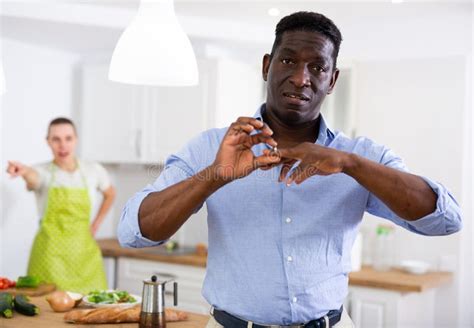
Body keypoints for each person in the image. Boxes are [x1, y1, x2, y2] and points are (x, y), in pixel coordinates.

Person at [118, 11, 462, 328]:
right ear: (267, 66)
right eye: (288, 61)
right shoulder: (211, 148)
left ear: (332, 80)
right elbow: (133, 232)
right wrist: (215, 177)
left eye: (317, 67)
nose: (301, 78)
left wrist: (350, 164)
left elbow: (445, 219)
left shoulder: (359, 156)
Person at [7, 117, 116, 293]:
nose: (62, 145)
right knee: (44, 313)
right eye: (56, 139)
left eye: (68, 138)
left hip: (84, 257)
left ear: (76, 139)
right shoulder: (41, 172)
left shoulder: (93, 171)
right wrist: (24, 171)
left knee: (92, 307)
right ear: (48, 142)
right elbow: (33, 180)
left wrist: (96, 224)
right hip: (49, 258)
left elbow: (110, 193)